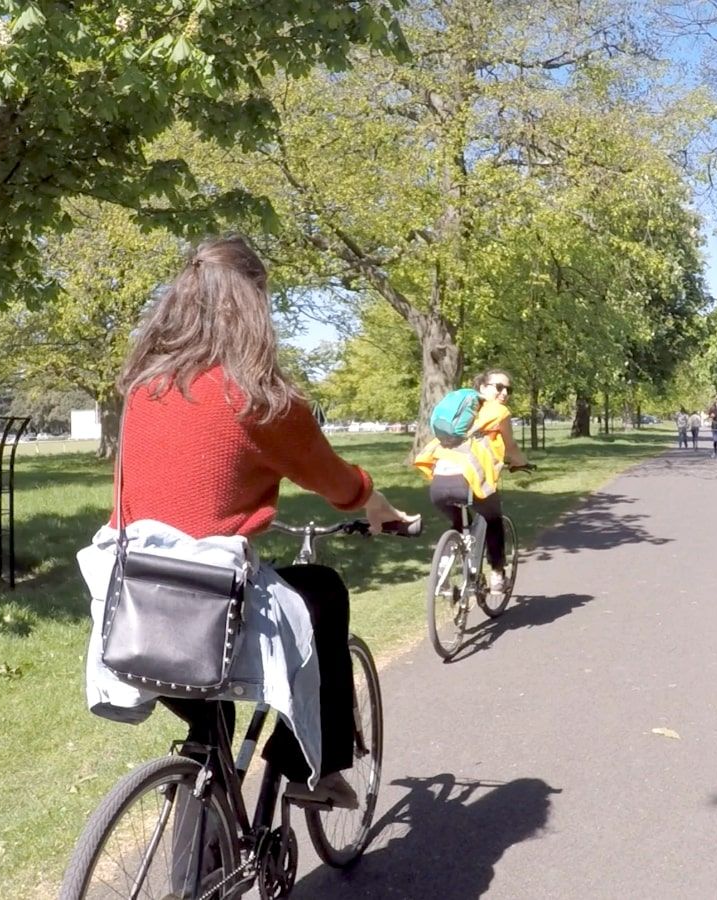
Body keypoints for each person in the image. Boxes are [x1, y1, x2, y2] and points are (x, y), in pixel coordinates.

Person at [111, 235, 413, 811]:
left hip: (132, 605)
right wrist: (381, 507)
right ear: (255, 304)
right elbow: (339, 485)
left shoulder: (143, 389)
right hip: (208, 604)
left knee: (210, 725)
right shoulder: (259, 398)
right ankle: (311, 767)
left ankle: (202, 846)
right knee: (322, 590)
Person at [414, 369, 531, 601]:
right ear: (483, 387)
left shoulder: (461, 413)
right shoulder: (497, 411)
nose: (504, 393)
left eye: (509, 389)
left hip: (439, 483)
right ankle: (498, 576)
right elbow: (511, 447)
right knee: (493, 517)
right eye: (499, 387)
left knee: (459, 522)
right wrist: (522, 463)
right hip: (468, 481)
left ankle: (444, 566)